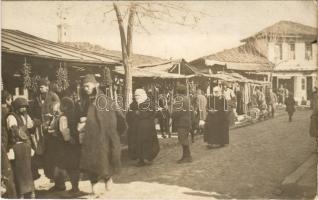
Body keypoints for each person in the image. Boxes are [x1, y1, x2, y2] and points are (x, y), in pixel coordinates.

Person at [78, 74, 122, 196]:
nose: (85, 89)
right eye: (84, 87)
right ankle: (94, 188)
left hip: (103, 137)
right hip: (90, 137)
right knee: (90, 163)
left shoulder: (103, 100)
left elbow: (111, 118)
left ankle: (108, 178)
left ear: (95, 85)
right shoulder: (86, 101)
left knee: (103, 162)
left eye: (87, 86)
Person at [31, 78, 60, 184]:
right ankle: (48, 174)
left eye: (42, 87)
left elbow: (58, 110)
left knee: (52, 151)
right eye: (39, 87)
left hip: (52, 128)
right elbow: (33, 111)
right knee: (43, 151)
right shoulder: (37, 98)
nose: (40, 89)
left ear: (47, 87)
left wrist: (52, 118)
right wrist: (36, 119)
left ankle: (55, 176)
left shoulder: (53, 96)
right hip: (41, 129)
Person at [6, 97, 35, 198]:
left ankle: (31, 191)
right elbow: (14, 131)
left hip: (26, 145)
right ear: (16, 107)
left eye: (25, 107)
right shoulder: (11, 117)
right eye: (21, 107)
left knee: (28, 170)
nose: (24, 109)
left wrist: (34, 124)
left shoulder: (26, 116)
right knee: (19, 170)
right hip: (17, 146)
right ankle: (21, 193)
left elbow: (31, 125)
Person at [127, 89, 160, 166]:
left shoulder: (149, 103)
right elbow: (129, 114)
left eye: (138, 95)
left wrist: (139, 114)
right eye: (135, 96)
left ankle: (149, 158)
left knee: (148, 143)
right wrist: (135, 113)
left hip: (148, 128)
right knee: (138, 144)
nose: (137, 97)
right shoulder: (133, 104)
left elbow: (152, 113)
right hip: (137, 129)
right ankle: (141, 160)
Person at [1, 91, 17, 198]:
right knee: (7, 170)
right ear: (7, 100)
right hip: (4, 141)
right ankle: (12, 195)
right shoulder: (6, 111)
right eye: (10, 99)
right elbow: (11, 130)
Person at [171, 86, 192, 163]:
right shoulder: (186, 98)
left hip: (182, 122)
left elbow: (177, 111)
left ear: (178, 92)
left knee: (183, 139)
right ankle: (186, 156)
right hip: (186, 121)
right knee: (184, 139)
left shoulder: (179, 99)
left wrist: (171, 114)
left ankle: (187, 157)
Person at [310, 86, 318, 152]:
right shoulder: (315, 95)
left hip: (316, 116)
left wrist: (313, 114)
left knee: (316, 131)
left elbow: (316, 107)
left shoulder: (315, 96)